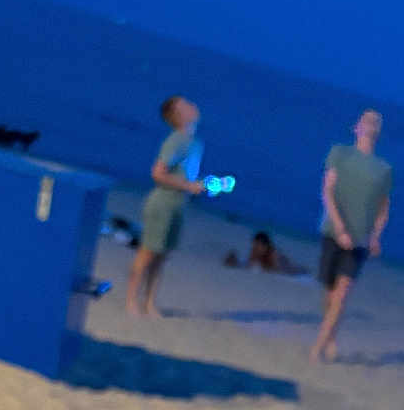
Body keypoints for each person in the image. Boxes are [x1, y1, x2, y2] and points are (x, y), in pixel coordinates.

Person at [311, 109, 392, 363]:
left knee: (343, 293)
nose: (371, 125)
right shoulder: (340, 153)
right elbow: (327, 191)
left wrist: (376, 236)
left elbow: (383, 207)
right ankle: (331, 336)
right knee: (329, 291)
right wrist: (340, 228)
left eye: (376, 122)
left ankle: (318, 347)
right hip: (332, 232)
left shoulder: (383, 169)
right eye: (367, 120)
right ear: (356, 126)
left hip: (360, 240)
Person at [125, 95, 206, 317]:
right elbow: (157, 173)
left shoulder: (195, 142)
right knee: (148, 253)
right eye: (186, 105)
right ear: (178, 116)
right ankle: (131, 300)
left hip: (177, 206)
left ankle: (150, 302)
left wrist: (197, 186)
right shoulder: (176, 141)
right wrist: (188, 185)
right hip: (162, 204)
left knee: (161, 256)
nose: (193, 105)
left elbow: (184, 176)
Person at [223, 230, 304, 274]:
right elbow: (248, 264)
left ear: (265, 246)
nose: (255, 248)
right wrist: (234, 262)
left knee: (295, 269)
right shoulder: (255, 251)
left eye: (258, 246)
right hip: (273, 264)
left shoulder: (273, 253)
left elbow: (277, 270)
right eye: (254, 245)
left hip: (286, 267)